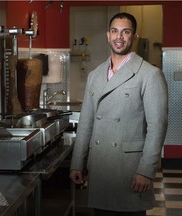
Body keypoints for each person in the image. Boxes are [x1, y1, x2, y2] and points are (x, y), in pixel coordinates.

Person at [69, 12, 168, 216]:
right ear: (108, 35)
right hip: (100, 169)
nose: (119, 37)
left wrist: (146, 171)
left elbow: (157, 126)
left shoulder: (149, 74)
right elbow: (86, 122)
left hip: (130, 171)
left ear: (134, 36)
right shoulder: (95, 75)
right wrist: (77, 163)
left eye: (125, 32)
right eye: (114, 31)